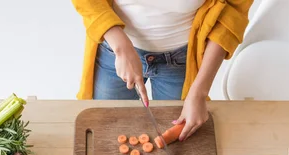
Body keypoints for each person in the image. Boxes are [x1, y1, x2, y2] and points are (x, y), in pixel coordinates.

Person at [72, 0, 253, 141]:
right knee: (106, 130)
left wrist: (199, 92)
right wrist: (121, 46)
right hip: (114, 52)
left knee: (184, 135)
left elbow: (232, 11)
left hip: (182, 61)